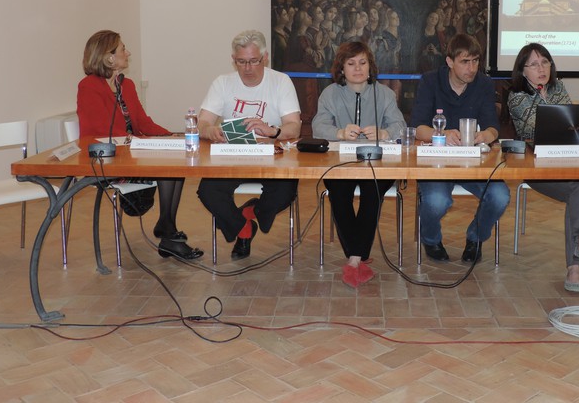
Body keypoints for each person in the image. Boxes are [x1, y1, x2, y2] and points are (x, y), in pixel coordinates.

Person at [77, 30, 203, 260]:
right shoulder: (88, 87)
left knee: (176, 161)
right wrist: (146, 145)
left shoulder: (126, 85)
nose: (128, 53)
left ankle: (167, 228)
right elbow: (103, 131)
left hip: (133, 154)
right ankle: (168, 232)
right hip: (107, 161)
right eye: (123, 49)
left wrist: (172, 137)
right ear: (109, 57)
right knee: (167, 167)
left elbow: (143, 123)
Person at [196, 30, 302, 260]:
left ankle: (251, 211)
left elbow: (294, 127)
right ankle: (244, 227)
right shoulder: (223, 83)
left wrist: (273, 131)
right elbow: (202, 123)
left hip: (272, 157)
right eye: (241, 62)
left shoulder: (280, 82)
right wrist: (210, 130)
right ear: (233, 60)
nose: (248, 68)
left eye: (254, 61)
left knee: (285, 191)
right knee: (208, 191)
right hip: (232, 156)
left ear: (265, 58)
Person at [311, 41, 406, 287]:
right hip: (340, 161)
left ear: (370, 66)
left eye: (363, 63)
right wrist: (340, 132)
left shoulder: (384, 94)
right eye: (351, 63)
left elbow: (400, 126)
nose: (357, 68)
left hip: (378, 162)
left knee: (372, 192)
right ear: (341, 68)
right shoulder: (329, 93)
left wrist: (384, 133)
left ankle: (354, 258)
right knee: (339, 193)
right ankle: (358, 254)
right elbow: (318, 126)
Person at [507, 42, 579, 293]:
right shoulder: (517, 96)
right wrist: (567, 121)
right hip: (536, 168)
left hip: (567, 162)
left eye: (545, 62)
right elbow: (541, 127)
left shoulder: (558, 89)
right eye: (534, 64)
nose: (541, 69)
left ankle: (577, 261)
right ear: (522, 70)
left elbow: (571, 125)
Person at [410, 33, 510, 262]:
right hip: (436, 163)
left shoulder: (484, 84)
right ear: (449, 61)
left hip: (473, 163)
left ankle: (475, 237)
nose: (472, 68)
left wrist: (485, 135)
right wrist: (441, 134)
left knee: (500, 196)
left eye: (475, 61)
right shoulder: (430, 81)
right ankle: (431, 239)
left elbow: (493, 128)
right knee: (437, 202)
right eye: (465, 62)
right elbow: (417, 128)